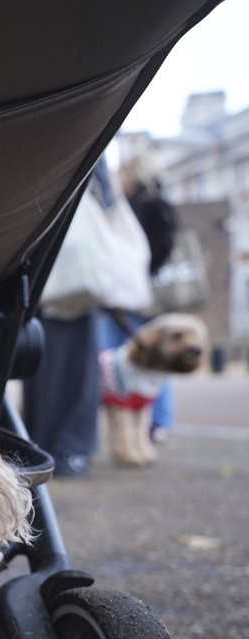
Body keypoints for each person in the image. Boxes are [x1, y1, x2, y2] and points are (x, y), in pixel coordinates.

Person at [24, 158, 151, 478]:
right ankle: (70, 446)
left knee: (43, 354)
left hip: (38, 238)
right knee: (73, 359)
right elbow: (104, 192)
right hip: (74, 265)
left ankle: (44, 442)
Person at [110, 156, 179, 442]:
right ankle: (145, 421)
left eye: (124, 171)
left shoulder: (149, 203)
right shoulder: (142, 201)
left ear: (134, 173)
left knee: (154, 358)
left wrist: (143, 272)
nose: (120, 177)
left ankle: (158, 420)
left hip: (139, 294)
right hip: (130, 293)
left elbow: (164, 243)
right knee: (133, 361)